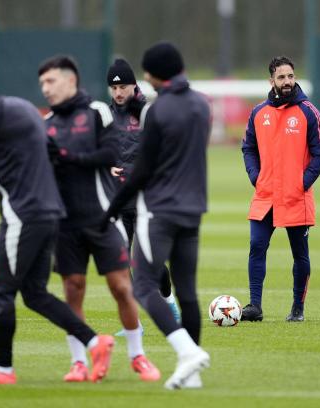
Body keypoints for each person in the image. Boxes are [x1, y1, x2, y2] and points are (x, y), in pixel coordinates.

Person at [0, 84, 114, 384]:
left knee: (0, 292)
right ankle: (95, 343)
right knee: (35, 294)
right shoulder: (22, 107)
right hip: (49, 214)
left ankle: (2, 370)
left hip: (23, 217)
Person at [38, 55, 160, 382]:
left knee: (121, 286)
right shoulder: (47, 123)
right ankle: (79, 362)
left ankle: (138, 356)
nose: (46, 89)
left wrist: (71, 158)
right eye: (43, 84)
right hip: (65, 223)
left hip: (102, 215)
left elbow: (109, 152)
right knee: (73, 289)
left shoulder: (98, 113)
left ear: (70, 81)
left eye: (51, 82)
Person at [102, 42, 211, 390]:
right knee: (188, 292)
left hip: (159, 208)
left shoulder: (157, 111)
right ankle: (192, 372)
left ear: (154, 74)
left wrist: (113, 206)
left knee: (145, 285)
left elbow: (143, 169)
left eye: (147, 73)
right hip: (194, 208)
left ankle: (186, 352)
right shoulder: (201, 105)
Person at [241, 56, 320, 322]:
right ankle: (255, 307)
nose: (287, 81)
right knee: (257, 247)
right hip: (265, 195)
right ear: (272, 81)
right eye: (281, 77)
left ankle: (297, 308)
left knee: (300, 255)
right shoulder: (258, 113)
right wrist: (256, 177)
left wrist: (302, 182)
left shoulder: (309, 112)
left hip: (295, 196)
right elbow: (248, 148)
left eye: (291, 76)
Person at [105, 58, 181, 330]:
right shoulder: (104, 117)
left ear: (134, 86)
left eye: (123, 86)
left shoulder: (149, 113)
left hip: (147, 201)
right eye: (113, 88)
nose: (118, 93)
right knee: (119, 262)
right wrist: (105, 167)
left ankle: (169, 302)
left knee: (150, 262)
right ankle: (132, 322)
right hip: (118, 201)